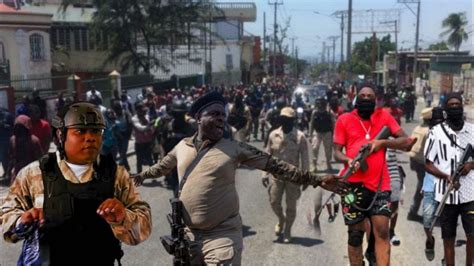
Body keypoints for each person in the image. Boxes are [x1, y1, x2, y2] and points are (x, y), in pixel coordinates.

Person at [133, 91, 345, 265]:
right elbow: (162, 167)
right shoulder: (181, 147)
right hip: (187, 237)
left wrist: (316, 179)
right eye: (215, 114)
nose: (221, 118)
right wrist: (140, 176)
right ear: (198, 118)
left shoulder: (235, 148)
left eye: (223, 115)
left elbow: (276, 165)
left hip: (222, 235)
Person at [0, 102, 152, 265]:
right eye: (80, 131)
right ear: (61, 134)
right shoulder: (33, 174)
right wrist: (21, 220)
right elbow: (6, 214)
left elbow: (142, 227)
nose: (90, 138)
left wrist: (123, 217)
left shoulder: (116, 175)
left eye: (96, 131)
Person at [333, 85, 415, 265]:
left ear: (375, 99)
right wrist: (349, 160)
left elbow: (406, 141)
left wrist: (382, 143)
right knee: (355, 236)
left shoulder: (384, 117)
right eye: (362, 95)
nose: (366, 98)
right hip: (352, 186)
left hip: (379, 185)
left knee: (383, 231)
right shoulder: (344, 119)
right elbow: (336, 152)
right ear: (356, 98)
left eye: (370, 96)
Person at [424, 93, 474, 266]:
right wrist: (445, 176)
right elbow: (428, 164)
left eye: (457, 104)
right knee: (448, 238)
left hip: (470, 194)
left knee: (472, 235)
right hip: (446, 195)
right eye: (451, 105)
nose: (455, 108)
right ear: (445, 109)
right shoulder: (436, 133)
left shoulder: (472, 130)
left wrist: (470, 166)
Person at [261, 107, 309, 243]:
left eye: (288, 119)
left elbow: (305, 159)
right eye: (283, 118)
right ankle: (281, 219)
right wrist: (264, 173)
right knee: (274, 201)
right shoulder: (273, 135)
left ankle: (287, 229)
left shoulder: (300, 137)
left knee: (291, 206)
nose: (285, 121)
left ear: (293, 120)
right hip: (276, 175)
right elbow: (267, 155)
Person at [421, 107, 444, 261]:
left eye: (441, 122)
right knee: (427, 220)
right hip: (430, 185)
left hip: (448, 186)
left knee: (449, 225)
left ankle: (448, 257)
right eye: (434, 122)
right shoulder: (429, 137)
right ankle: (430, 240)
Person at [407, 107, 434, 222]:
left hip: (414, 159)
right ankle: (415, 212)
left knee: (422, 186)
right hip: (422, 162)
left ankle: (415, 211)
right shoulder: (429, 131)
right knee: (425, 187)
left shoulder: (418, 127)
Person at [7, 115, 43, 183]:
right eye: (18, 129)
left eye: (22, 129)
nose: (20, 132)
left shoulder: (34, 141)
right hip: (18, 173)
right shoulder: (13, 140)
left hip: (31, 173)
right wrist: (9, 172)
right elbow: (11, 157)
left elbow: (40, 158)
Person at [309, 97, 334, 172]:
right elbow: (312, 124)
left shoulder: (329, 112)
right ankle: (314, 165)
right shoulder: (315, 112)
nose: (319, 105)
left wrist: (334, 134)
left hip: (327, 133)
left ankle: (329, 164)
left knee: (328, 150)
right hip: (317, 132)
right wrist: (310, 135)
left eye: (320, 103)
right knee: (315, 148)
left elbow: (333, 123)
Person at [132, 101, 155, 174]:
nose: (143, 111)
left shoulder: (146, 116)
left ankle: (154, 173)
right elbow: (141, 129)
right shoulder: (134, 119)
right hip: (139, 143)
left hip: (148, 141)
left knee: (150, 159)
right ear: (138, 110)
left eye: (143, 109)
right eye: (141, 110)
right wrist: (149, 125)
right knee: (139, 160)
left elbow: (151, 127)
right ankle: (139, 175)